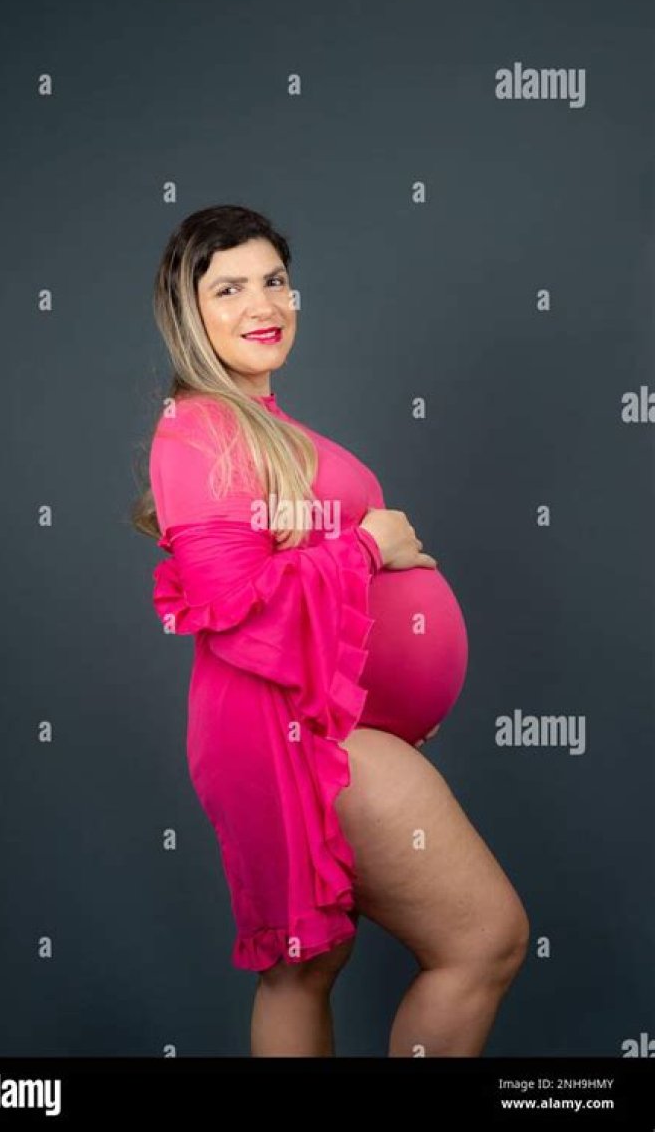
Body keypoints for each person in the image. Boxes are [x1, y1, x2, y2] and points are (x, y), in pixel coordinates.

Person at [132, 204, 529, 1057]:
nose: (262, 304)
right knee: (482, 940)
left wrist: (389, 669)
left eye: (274, 280)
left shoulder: (264, 426)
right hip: (290, 732)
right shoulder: (200, 431)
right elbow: (232, 604)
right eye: (228, 288)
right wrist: (369, 545)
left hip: (322, 720)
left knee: (307, 966)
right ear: (187, 312)